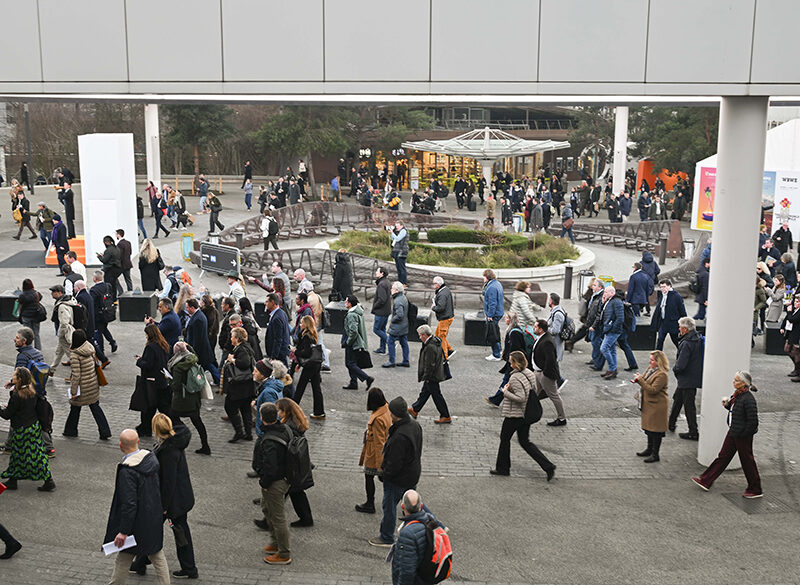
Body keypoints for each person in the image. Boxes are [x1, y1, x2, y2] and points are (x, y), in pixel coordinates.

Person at [129, 414, 198, 579]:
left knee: (165, 531)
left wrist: (164, 507)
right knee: (166, 530)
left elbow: (168, 482)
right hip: (180, 498)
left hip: (172, 502)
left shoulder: (168, 451)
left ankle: (188, 567)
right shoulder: (174, 443)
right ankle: (142, 562)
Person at [103, 429, 170, 584]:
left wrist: (123, 531)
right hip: (152, 518)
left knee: (123, 558)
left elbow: (129, 504)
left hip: (136, 525)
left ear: (121, 445)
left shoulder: (128, 471)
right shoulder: (151, 460)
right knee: (157, 556)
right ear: (138, 442)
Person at [692, 371, 762, 498]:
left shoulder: (748, 399)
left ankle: (755, 489)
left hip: (741, 435)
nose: (733, 382)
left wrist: (742, 434)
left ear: (743, 383)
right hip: (734, 432)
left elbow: (753, 422)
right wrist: (727, 405)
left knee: (747, 461)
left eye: (736, 380)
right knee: (723, 457)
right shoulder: (738, 395)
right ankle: (706, 480)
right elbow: (736, 410)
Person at [491, 350, 555, 480]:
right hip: (526, 414)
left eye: (511, 362)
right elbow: (534, 390)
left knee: (505, 439)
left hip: (515, 415)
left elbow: (520, 398)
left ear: (515, 363)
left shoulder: (515, 378)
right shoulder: (529, 373)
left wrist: (505, 392)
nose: (509, 364)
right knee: (525, 442)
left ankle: (503, 468)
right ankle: (548, 466)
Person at [369, 396, 423, 548]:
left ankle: (386, 536)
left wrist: (384, 474)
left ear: (395, 414)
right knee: (414, 505)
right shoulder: (415, 426)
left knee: (389, 507)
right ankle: (430, 527)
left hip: (398, 479)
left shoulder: (399, 436)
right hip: (412, 473)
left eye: (390, 412)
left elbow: (394, 463)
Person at [0, 367, 56, 491]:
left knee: (25, 456)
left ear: (20, 379)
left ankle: (48, 481)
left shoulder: (17, 396)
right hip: (33, 427)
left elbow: (7, 414)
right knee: (30, 455)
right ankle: (13, 480)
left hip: (21, 430)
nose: (12, 377)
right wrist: (13, 385)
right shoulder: (31, 391)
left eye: (14, 376)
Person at [252, 402, 293, 565]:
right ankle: (275, 543)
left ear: (262, 418)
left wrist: (264, 483)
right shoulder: (285, 429)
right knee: (266, 508)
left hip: (275, 482)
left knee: (278, 518)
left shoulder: (269, 440)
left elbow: (271, 468)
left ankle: (283, 553)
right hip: (286, 478)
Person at [62, 330, 111, 439]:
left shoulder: (75, 354)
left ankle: (70, 430)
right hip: (92, 384)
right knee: (95, 408)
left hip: (82, 387)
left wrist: (73, 392)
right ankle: (105, 431)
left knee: (75, 408)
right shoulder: (89, 347)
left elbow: (76, 375)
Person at [391, 490, 446, 585]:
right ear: (421, 506)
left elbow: (407, 570)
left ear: (403, 507)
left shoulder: (407, 533)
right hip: (427, 577)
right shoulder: (430, 519)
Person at [275, 397, 314, 527]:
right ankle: (306, 518)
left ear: (285, 411)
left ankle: (268, 520)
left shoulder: (288, 427)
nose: (277, 413)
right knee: (295, 492)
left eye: (279, 410)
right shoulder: (297, 424)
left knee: (286, 491)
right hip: (297, 463)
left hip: (292, 465)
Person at [167, 342, 210, 455]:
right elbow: (194, 353)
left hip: (182, 400)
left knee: (172, 417)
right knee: (197, 422)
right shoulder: (192, 359)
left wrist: (168, 379)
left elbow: (176, 386)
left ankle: (182, 434)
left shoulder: (178, 366)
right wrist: (188, 346)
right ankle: (205, 446)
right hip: (194, 398)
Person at [356, 387, 392, 514]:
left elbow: (379, 443)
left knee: (369, 476)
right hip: (385, 449)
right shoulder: (386, 409)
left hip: (373, 454)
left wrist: (380, 464)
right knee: (385, 479)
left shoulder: (377, 419)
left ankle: (370, 503)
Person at [133, 324, 171, 437]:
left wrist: (139, 361)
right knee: (162, 407)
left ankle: (145, 428)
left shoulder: (150, 347)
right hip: (162, 381)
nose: (145, 336)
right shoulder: (164, 345)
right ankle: (169, 425)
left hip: (151, 382)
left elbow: (148, 365)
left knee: (148, 407)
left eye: (146, 334)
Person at [408, 324, 450, 424]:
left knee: (436, 396)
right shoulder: (434, 341)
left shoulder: (430, 347)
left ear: (424, 335)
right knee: (425, 392)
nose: (419, 337)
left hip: (432, 376)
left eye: (420, 335)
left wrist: (426, 376)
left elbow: (430, 364)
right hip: (434, 374)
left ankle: (445, 415)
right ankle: (415, 409)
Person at [670, 317, 704, 440]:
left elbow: (681, 364)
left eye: (680, 327)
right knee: (678, 399)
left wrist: (675, 369)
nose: (679, 329)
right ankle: (670, 423)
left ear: (685, 329)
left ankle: (693, 431)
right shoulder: (697, 339)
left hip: (687, 378)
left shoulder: (686, 343)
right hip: (692, 377)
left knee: (689, 406)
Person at [632, 350, 669, 463]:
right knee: (649, 428)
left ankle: (655, 454)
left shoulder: (662, 374)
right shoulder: (651, 369)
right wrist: (638, 378)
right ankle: (649, 449)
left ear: (659, 361)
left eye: (652, 360)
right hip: (649, 404)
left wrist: (640, 380)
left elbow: (653, 390)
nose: (650, 362)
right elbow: (645, 380)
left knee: (656, 430)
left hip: (657, 405)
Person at [530, 319, 567, 427]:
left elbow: (550, 360)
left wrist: (545, 373)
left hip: (544, 374)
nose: (533, 328)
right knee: (534, 393)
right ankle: (528, 413)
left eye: (535, 327)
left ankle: (562, 418)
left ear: (541, 329)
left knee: (554, 395)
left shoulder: (547, 341)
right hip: (537, 372)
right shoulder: (541, 338)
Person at [223, 326, 256, 443]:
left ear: (237, 338)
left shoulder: (241, 349)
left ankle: (239, 432)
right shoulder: (246, 347)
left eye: (232, 336)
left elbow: (245, 363)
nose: (231, 339)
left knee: (230, 407)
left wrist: (232, 360)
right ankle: (248, 433)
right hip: (247, 385)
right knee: (245, 409)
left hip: (239, 386)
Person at [293, 315, 324, 419]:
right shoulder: (313, 334)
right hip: (316, 364)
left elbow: (306, 353)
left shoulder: (306, 336)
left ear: (306, 324)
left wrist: (295, 351)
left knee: (300, 387)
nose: (300, 325)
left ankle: (293, 409)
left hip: (310, 366)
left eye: (302, 323)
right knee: (316, 388)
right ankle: (319, 412)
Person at [184, 299, 220, 385]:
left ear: (192, 308)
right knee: (209, 366)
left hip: (201, 350)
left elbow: (197, 338)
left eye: (187, 307)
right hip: (203, 349)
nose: (186, 309)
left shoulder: (198, 319)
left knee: (210, 366)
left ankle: (219, 382)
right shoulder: (199, 316)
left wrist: (193, 351)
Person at [342, 295, 374, 390]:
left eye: (346, 301)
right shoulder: (358, 312)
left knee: (350, 363)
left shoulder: (351, 315)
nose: (345, 303)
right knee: (352, 362)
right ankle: (353, 382)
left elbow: (353, 331)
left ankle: (367, 378)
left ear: (350, 304)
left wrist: (348, 342)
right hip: (357, 342)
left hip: (353, 343)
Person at [48, 284, 78, 376]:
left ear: (59, 293)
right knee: (59, 352)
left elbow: (64, 322)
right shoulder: (68, 301)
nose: (51, 293)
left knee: (71, 355)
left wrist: (60, 333)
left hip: (65, 333)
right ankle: (51, 370)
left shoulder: (62, 305)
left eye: (53, 291)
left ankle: (76, 374)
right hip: (66, 332)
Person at [596, 286, 624, 379]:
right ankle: (612, 369)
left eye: (606, 292)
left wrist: (612, 327)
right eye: (604, 292)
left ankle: (612, 369)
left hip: (612, 330)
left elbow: (620, 318)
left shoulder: (617, 302)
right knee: (612, 350)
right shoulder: (609, 301)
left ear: (612, 293)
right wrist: (603, 302)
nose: (604, 294)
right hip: (608, 329)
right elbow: (603, 313)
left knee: (604, 348)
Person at [651, 279, 687, 350]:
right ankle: (658, 354)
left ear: (669, 286)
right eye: (661, 287)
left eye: (664, 287)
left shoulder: (676, 296)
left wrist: (684, 323)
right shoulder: (662, 295)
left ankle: (682, 352)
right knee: (660, 339)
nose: (662, 289)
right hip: (663, 322)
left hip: (673, 323)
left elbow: (682, 310)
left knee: (675, 340)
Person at [384, 281, 410, 368]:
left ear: (397, 290)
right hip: (404, 325)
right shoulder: (403, 297)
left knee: (390, 341)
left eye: (392, 289)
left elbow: (399, 315)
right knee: (404, 342)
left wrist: (392, 320)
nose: (391, 290)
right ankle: (406, 361)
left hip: (397, 326)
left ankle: (391, 361)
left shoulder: (397, 301)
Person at [482, 269, 505, 361]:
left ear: (487, 277)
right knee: (496, 332)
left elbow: (492, 303)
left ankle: (496, 354)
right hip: (499, 312)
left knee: (492, 334)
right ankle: (499, 350)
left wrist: (490, 315)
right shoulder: (497, 284)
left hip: (493, 314)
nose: (483, 279)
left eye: (484, 277)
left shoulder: (491, 287)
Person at [431, 276, 455, 359]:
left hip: (444, 318)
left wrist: (433, 307)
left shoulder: (442, 294)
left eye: (434, 284)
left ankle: (444, 357)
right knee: (438, 335)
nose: (433, 285)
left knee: (441, 338)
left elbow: (441, 307)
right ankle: (449, 350)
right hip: (447, 317)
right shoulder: (445, 289)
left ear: (438, 284)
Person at [17, 279, 44, 350]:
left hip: (26, 316)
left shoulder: (22, 295)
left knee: (26, 334)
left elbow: (20, 302)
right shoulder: (36, 293)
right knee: (36, 333)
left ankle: (29, 349)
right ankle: (38, 349)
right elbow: (40, 298)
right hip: (36, 315)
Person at [264, 293, 290, 365]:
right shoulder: (282, 313)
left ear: (272, 303)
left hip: (279, 354)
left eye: (267, 301)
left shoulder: (276, 318)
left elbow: (278, 339)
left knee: (281, 370)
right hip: (282, 351)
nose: (265, 303)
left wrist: (273, 356)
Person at [371, 267, 392, 355]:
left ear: (382, 273)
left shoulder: (381, 284)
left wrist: (375, 306)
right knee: (382, 329)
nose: (376, 272)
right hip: (386, 310)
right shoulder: (387, 282)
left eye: (377, 271)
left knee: (376, 329)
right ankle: (382, 348)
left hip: (381, 311)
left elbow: (382, 299)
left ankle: (390, 342)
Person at [97, 236, 122, 302]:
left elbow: (104, 260)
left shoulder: (108, 250)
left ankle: (109, 300)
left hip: (110, 270)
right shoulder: (116, 248)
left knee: (108, 286)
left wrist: (99, 257)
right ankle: (114, 299)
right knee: (114, 285)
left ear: (106, 242)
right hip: (117, 269)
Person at [115, 229, 134, 294]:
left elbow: (119, 255)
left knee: (114, 278)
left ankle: (120, 291)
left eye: (116, 234)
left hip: (122, 265)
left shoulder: (119, 244)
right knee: (128, 279)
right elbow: (130, 252)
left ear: (119, 235)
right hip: (128, 264)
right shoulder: (128, 242)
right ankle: (130, 291)